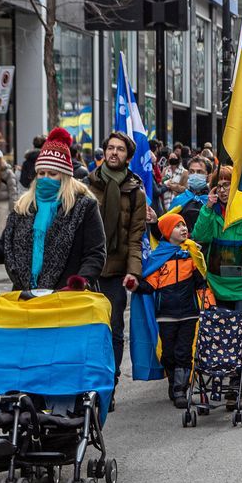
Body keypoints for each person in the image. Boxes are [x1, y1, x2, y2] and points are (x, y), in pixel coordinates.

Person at [0, 127, 105, 292]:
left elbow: (95, 253)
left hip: (69, 299)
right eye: (41, 173)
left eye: (52, 174)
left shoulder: (84, 207)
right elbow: (5, 250)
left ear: (65, 176)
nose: (45, 178)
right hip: (27, 299)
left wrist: (81, 281)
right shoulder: (23, 207)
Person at [87, 131, 148, 397]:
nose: (113, 153)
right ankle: (88, 380)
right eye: (110, 148)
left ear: (128, 156)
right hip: (86, 270)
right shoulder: (86, 186)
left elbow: (136, 237)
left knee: (113, 328)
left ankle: (108, 384)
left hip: (115, 271)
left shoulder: (136, 192)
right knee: (87, 328)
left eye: (120, 149)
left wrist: (133, 272)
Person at [134, 213, 207, 408]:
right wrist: (134, 285)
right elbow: (150, 285)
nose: (183, 228)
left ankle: (180, 389)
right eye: (178, 226)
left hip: (189, 313)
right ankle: (173, 382)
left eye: (184, 225)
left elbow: (201, 283)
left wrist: (208, 306)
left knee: (184, 352)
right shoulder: (159, 258)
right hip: (166, 315)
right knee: (168, 353)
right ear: (167, 232)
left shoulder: (191, 254)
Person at [191, 165, 242, 311]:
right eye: (218, 186)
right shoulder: (210, 212)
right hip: (216, 285)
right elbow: (200, 235)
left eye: (226, 185)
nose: (221, 190)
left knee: (240, 332)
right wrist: (207, 208)